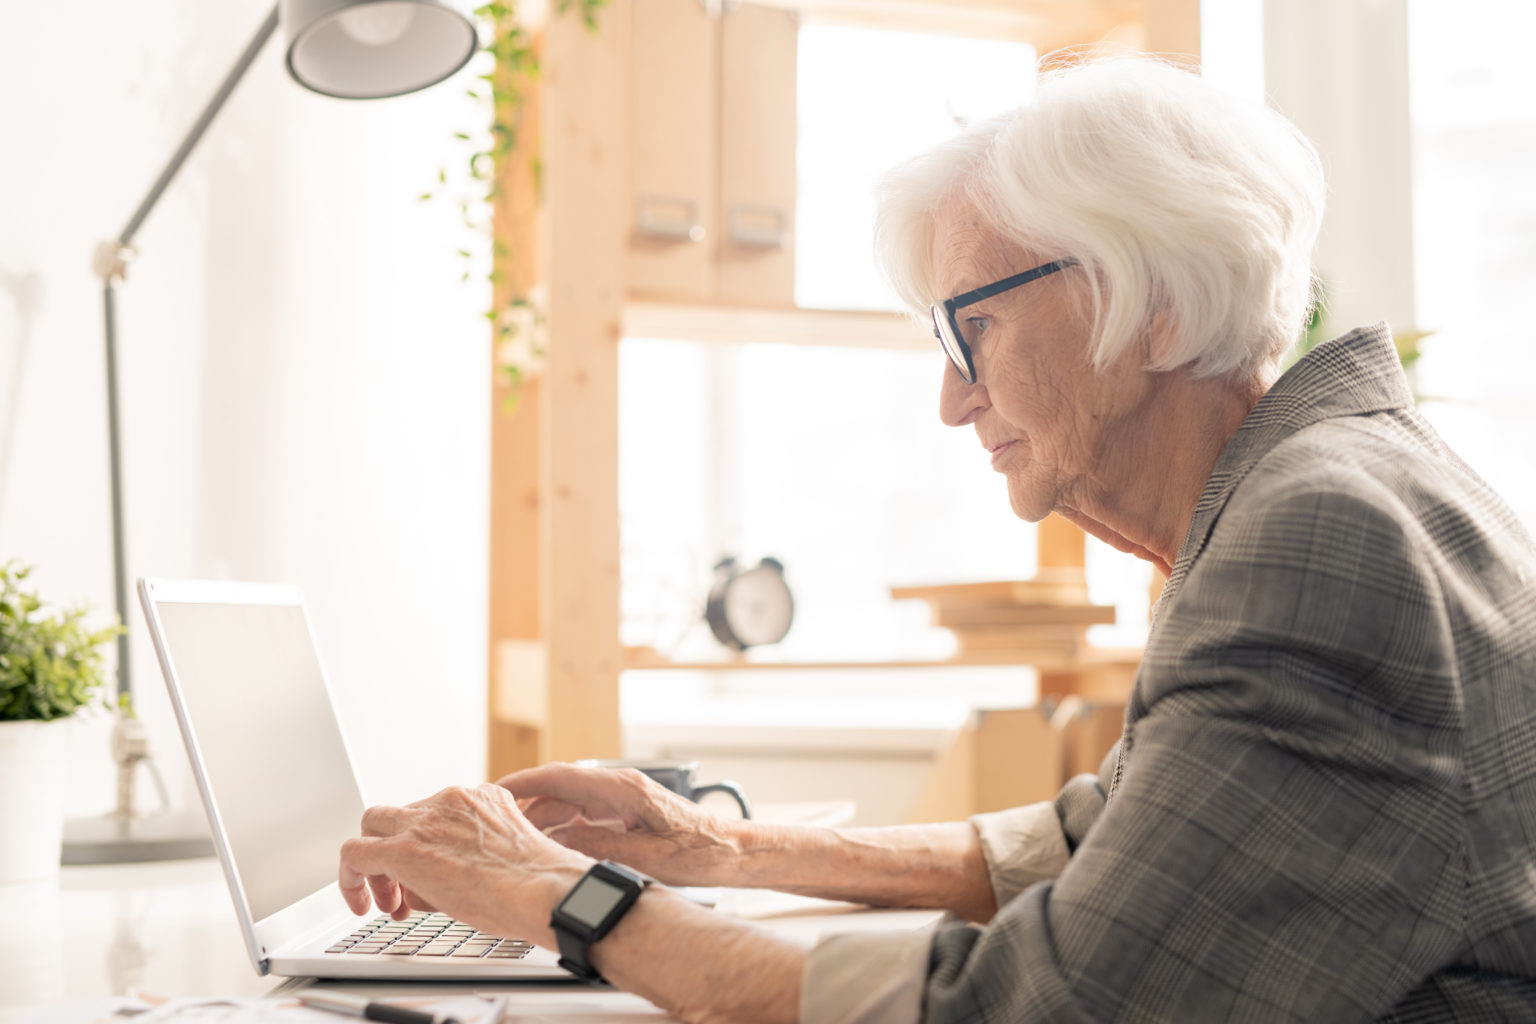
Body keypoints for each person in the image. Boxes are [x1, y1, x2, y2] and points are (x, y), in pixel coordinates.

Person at [337, 57, 1536, 1022]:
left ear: (1153, 304)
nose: (953, 400)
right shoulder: (1305, 492)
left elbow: (1042, 1006)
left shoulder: (1320, 543)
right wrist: (706, 845)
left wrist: (566, 898)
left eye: (976, 329)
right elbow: (1094, 834)